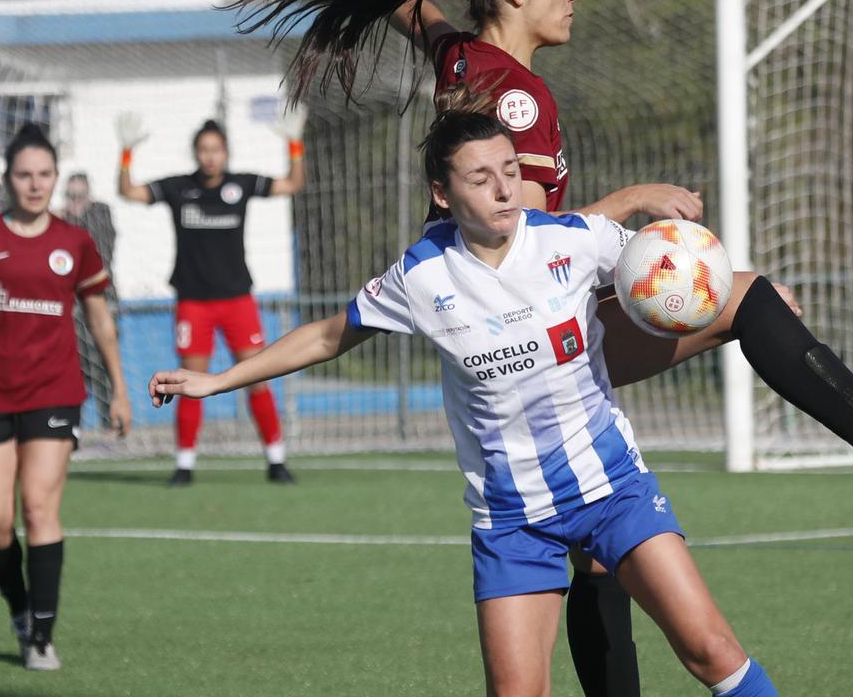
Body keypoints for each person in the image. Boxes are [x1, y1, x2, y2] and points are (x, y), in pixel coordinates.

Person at [230, 0, 853, 697]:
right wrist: (636, 201)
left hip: (492, 339)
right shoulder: (517, 100)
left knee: (601, 547)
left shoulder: (464, 57)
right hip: (523, 328)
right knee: (751, 301)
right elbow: (526, 242)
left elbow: (421, 17)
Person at [150, 108, 783, 696]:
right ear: (442, 194)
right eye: (481, 177)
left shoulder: (577, 239)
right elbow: (325, 335)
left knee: (710, 650)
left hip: (612, 489)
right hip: (511, 521)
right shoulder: (421, 276)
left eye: (510, 171)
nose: (505, 189)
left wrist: (751, 301)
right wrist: (215, 381)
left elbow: (670, 270)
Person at [0, 123, 132, 671]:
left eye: (45, 174)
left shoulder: (75, 242)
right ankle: (20, 610)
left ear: (55, 178)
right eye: (24, 174)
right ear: (7, 178)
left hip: (55, 392)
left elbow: (99, 320)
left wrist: (119, 389)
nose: (35, 184)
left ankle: (42, 635)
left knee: (40, 508)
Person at [117, 112, 307, 486]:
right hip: (193, 303)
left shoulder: (243, 183)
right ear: (196, 153)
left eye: (216, 150)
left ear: (225, 152)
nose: (210, 157)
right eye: (204, 150)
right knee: (190, 382)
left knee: (257, 379)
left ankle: (276, 460)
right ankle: (184, 464)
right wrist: (125, 153)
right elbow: (130, 192)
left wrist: (295, 145)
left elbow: (293, 184)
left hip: (238, 300)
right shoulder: (177, 187)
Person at [60, 172, 120, 429]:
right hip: (72, 305)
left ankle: (111, 424)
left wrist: (73, 219)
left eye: (79, 196)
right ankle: (73, 426)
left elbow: (100, 255)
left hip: (101, 301)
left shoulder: (100, 214)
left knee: (104, 364)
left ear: (89, 196)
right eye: (70, 196)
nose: (75, 202)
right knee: (74, 367)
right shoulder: (60, 223)